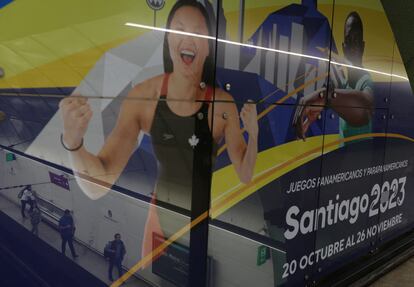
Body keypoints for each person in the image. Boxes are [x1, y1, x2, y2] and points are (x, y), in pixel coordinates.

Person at [59, 0, 258, 261]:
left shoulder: (222, 105)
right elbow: (99, 185)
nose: (188, 38)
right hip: (158, 222)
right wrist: (74, 143)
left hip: (201, 221)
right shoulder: (144, 97)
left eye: (198, 33)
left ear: (209, 46)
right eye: (180, 29)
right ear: (168, 40)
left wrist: (253, 135)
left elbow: (244, 173)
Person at [293, 11, 373, 142]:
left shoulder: (366, 81)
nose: (353, 45)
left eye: (357, 40)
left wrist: (324, 96)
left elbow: (365, 109)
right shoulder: (346, 84)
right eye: (349, 40)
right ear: (343, 47)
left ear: (363, 46)